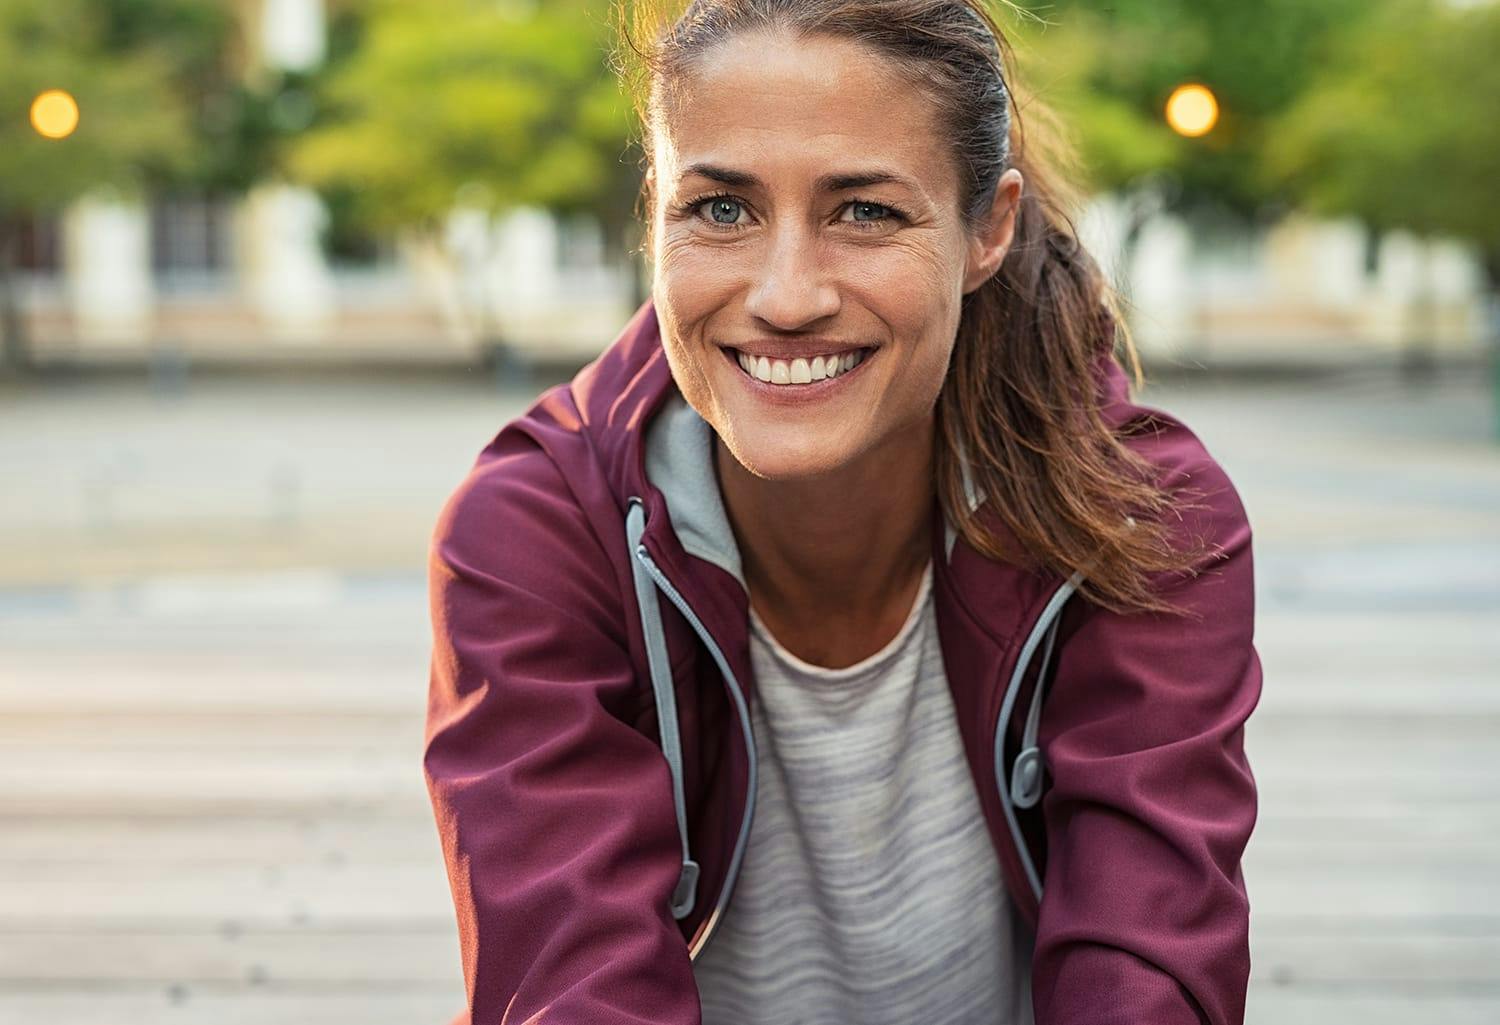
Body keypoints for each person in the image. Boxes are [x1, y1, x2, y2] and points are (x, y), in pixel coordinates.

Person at [422, 1, 1262, 1023]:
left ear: (987, 229)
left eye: (864, 212)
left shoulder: (1145, 517)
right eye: (722, 209)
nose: (786, 296)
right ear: (656, 214)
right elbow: (566, 985)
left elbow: (1149, 973)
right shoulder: (533, 531)